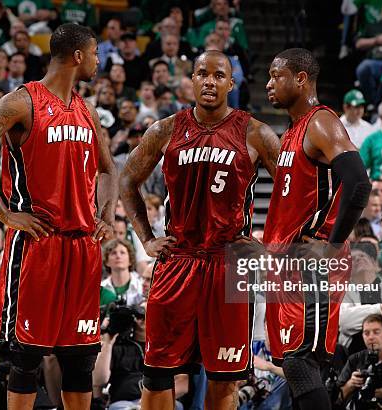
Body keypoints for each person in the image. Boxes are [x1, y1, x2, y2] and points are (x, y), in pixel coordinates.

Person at [0, 23, 118, 410]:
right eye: (95, 53)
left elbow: (109, 169)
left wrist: (106, 216)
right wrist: (6, 214)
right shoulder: (22, 101)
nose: (98, 61)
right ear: (78, 56)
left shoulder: (86, 110)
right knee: (25, 359)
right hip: (37, 246)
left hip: (82, 248)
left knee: (80, 359)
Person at [119, 49, 280, 409]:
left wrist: (268, 242)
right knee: (157, 374)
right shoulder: (166, 129)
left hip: (226, 266)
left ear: (231, 83)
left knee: (223, 380)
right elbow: (127, 179)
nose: (210, 81)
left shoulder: (255, 132)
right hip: (177, 261)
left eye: (218, 75)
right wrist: (146, 238)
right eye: (202, 74)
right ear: (190, 79)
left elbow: (294, 189)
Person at [263, 48, 371, 410]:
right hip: (288, 267)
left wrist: (330, 245)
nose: (268, 84)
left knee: (300, 362)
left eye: (276, 75)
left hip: (312, 265)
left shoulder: (320, 122)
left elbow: (358, 183)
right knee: (293, 363)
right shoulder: (292, 132)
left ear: (300, 79)